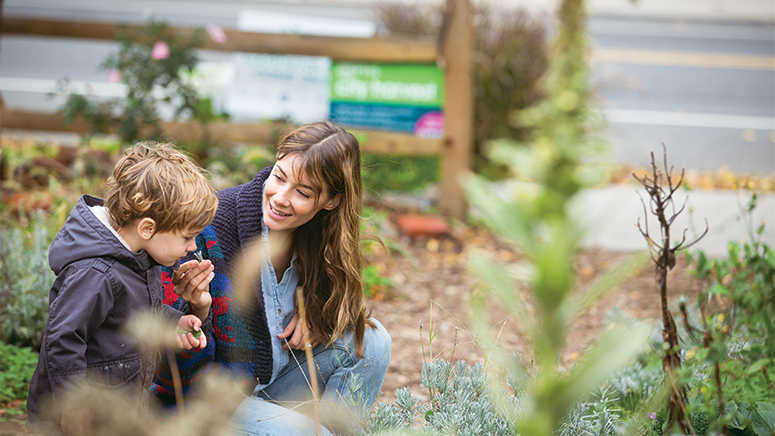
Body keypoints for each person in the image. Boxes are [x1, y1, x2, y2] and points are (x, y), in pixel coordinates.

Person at [153, 121, 391, 434]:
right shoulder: (210, 227)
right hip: (212, 401)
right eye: (278, 176)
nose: (280, 197)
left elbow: (344, 308)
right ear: (276, 158)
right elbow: (168, 360)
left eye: (302, 193)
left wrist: (318, 313)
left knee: (372, 342)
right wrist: (198, 309)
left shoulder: (321, 238)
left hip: (270, 385)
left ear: (331, 201)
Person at [26, 142, 218, 435]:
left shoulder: (138, 257)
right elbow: (63, 338)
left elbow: (131, 310)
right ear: (147, 228)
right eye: (187, 237)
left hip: (114, 410)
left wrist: (172, 320)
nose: (193, 247)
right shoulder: (96, 272)